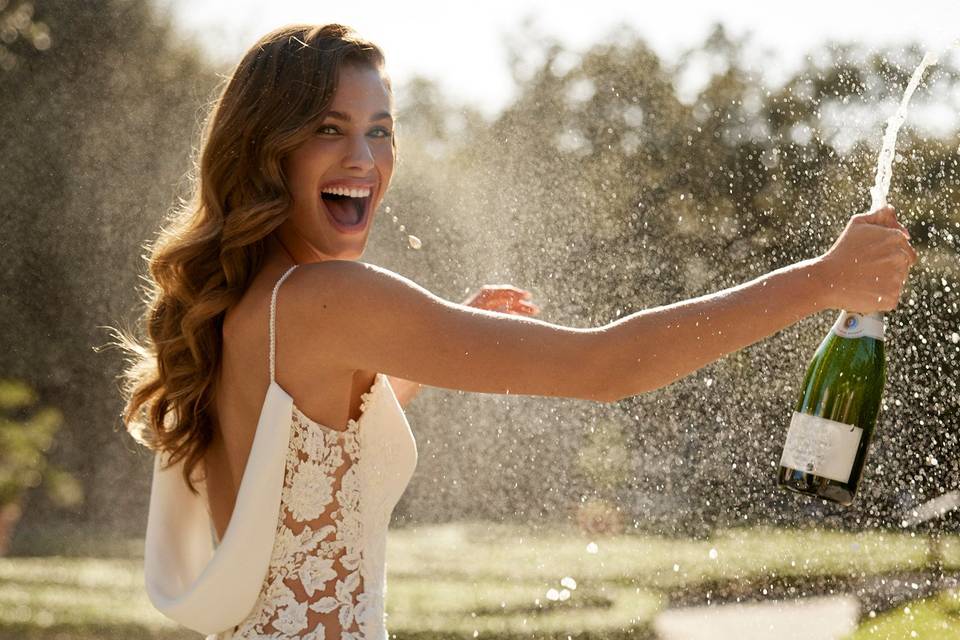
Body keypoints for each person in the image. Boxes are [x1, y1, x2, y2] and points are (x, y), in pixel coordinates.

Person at [114, 23, 916, 640]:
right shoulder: (329, 296)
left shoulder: (251, 306)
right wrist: (822, 280)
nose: (364, 156)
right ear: (266, 149)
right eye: (329, 128)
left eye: (381, 129)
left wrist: (417, 359)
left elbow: (298, 468)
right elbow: (609, 366)